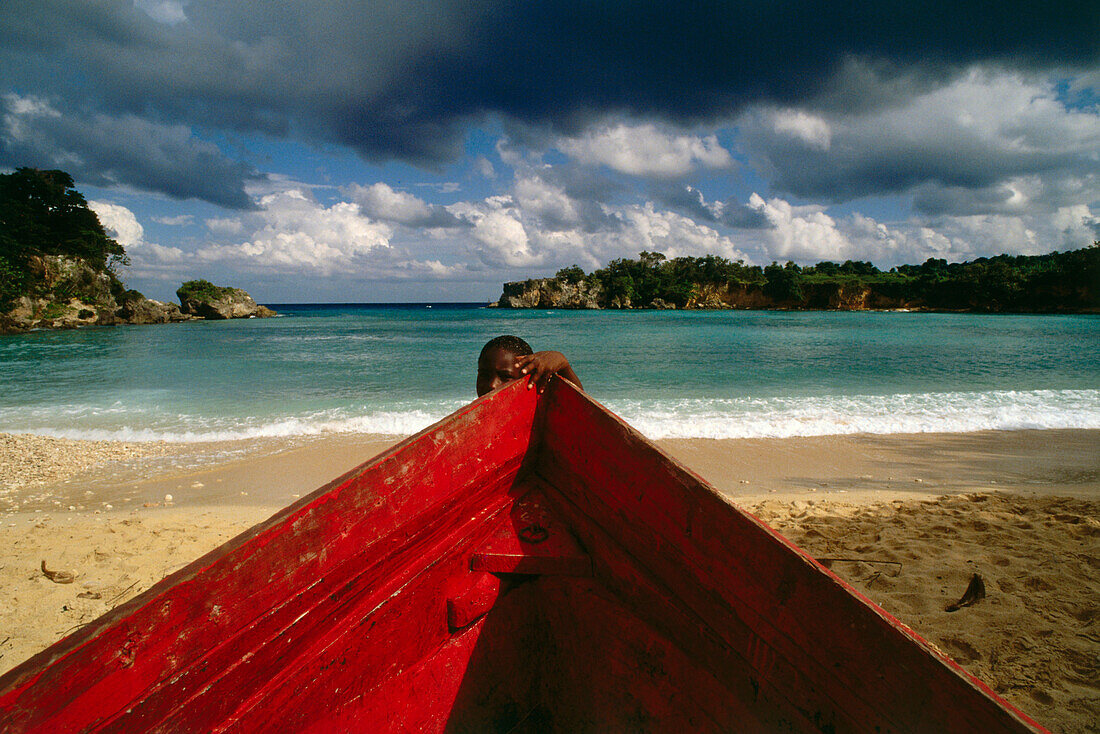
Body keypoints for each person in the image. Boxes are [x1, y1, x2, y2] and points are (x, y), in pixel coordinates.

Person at [476, 335, 582, 397]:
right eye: (484, 375)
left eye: (505, 376)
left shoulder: (538, 413)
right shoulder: (471, 421)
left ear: (530, 377)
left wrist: (563, 365)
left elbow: (581, 406)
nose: (492, 385)